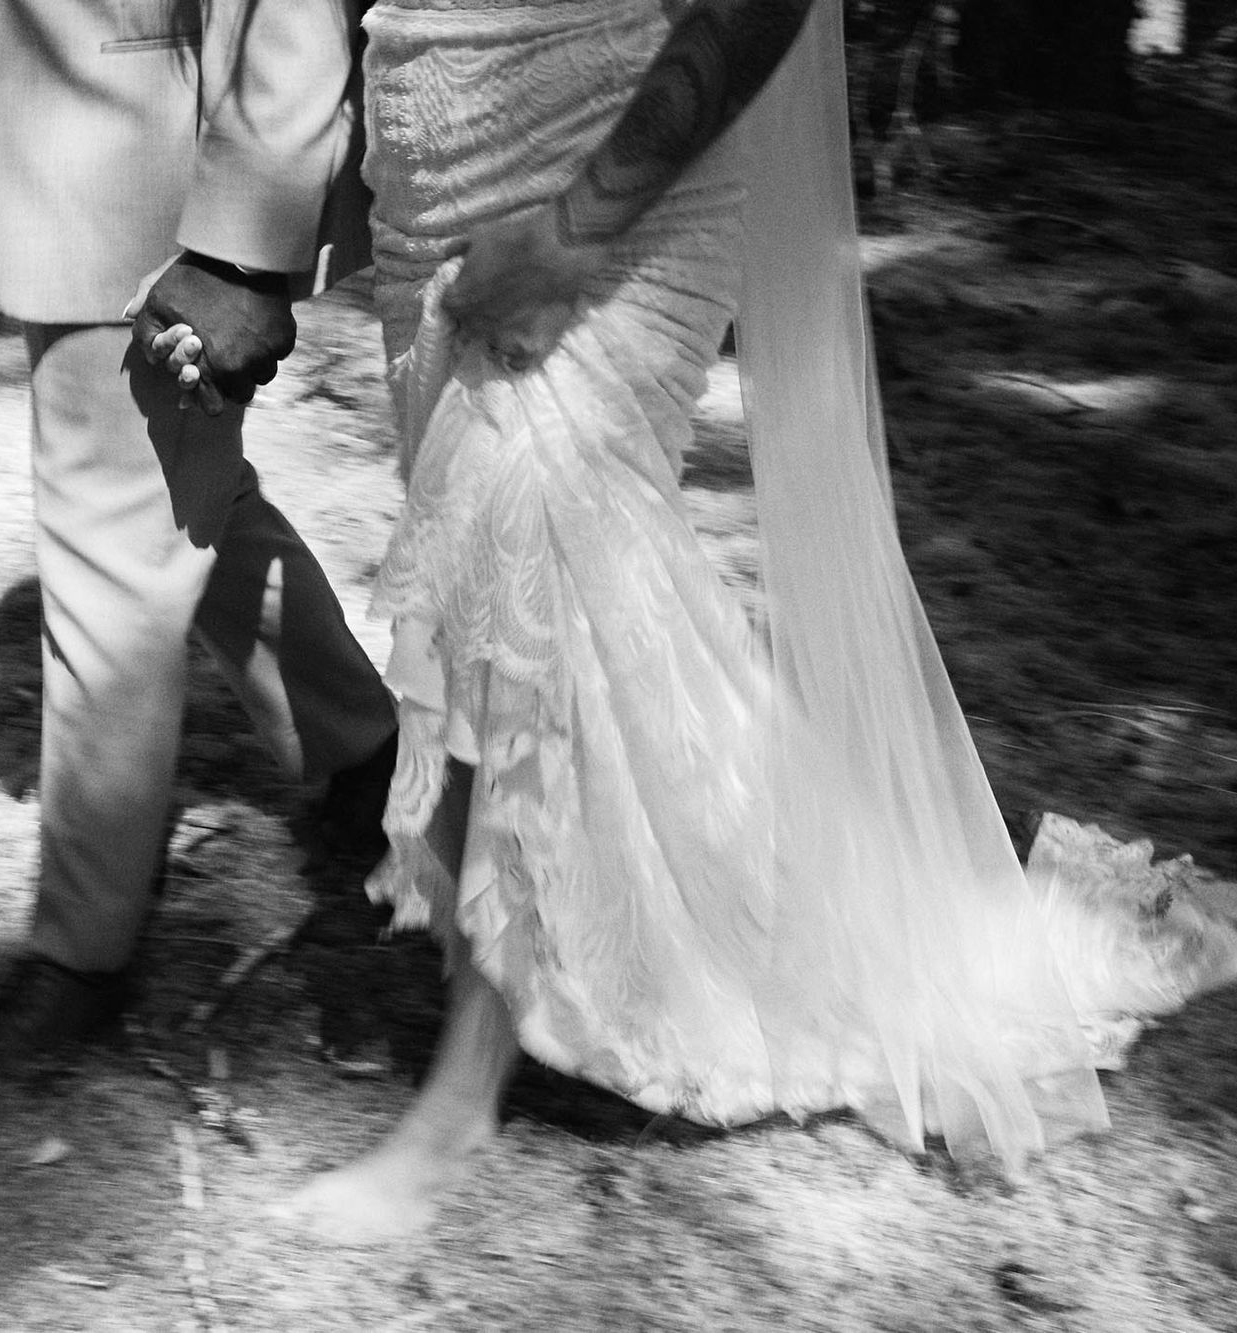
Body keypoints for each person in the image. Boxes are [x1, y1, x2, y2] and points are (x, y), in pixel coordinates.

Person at [148, 0, 1237, 1239]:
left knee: (532, 580)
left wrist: (572, 233)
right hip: (429, 146)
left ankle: (456, 1105)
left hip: (599, 160)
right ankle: (552, 959)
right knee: (480, 590)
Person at [0, 0, 398, 1056]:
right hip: (62, 160)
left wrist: (242, 248)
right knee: (188, 501)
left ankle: (80, 959)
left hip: (158, 197)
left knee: (106, 551)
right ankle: (365, 748)